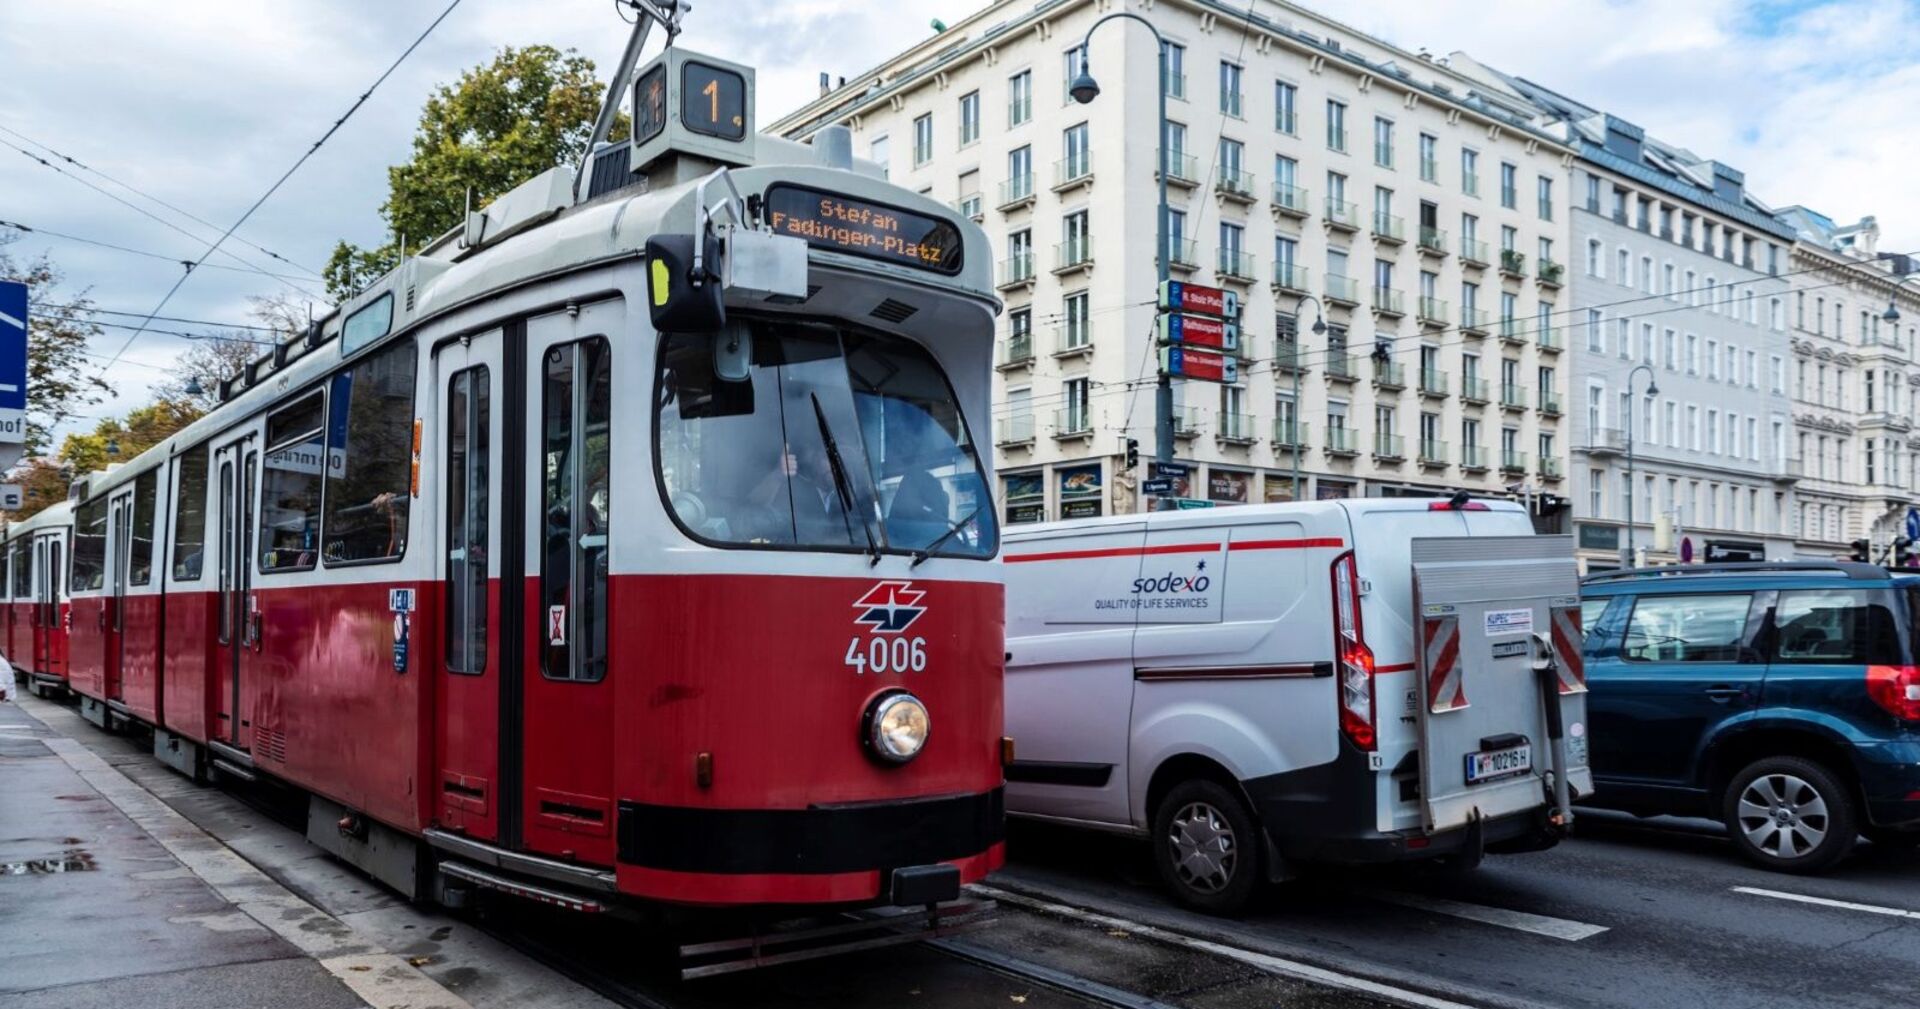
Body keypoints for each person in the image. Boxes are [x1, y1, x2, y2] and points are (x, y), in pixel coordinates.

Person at [750, 438, 852, 544]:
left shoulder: (848, 500)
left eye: (844, 462)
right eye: (830, 459)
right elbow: (752, 510)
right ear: (815, 458)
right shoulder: (791, 490)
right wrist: (777, 476)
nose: (837, 466)